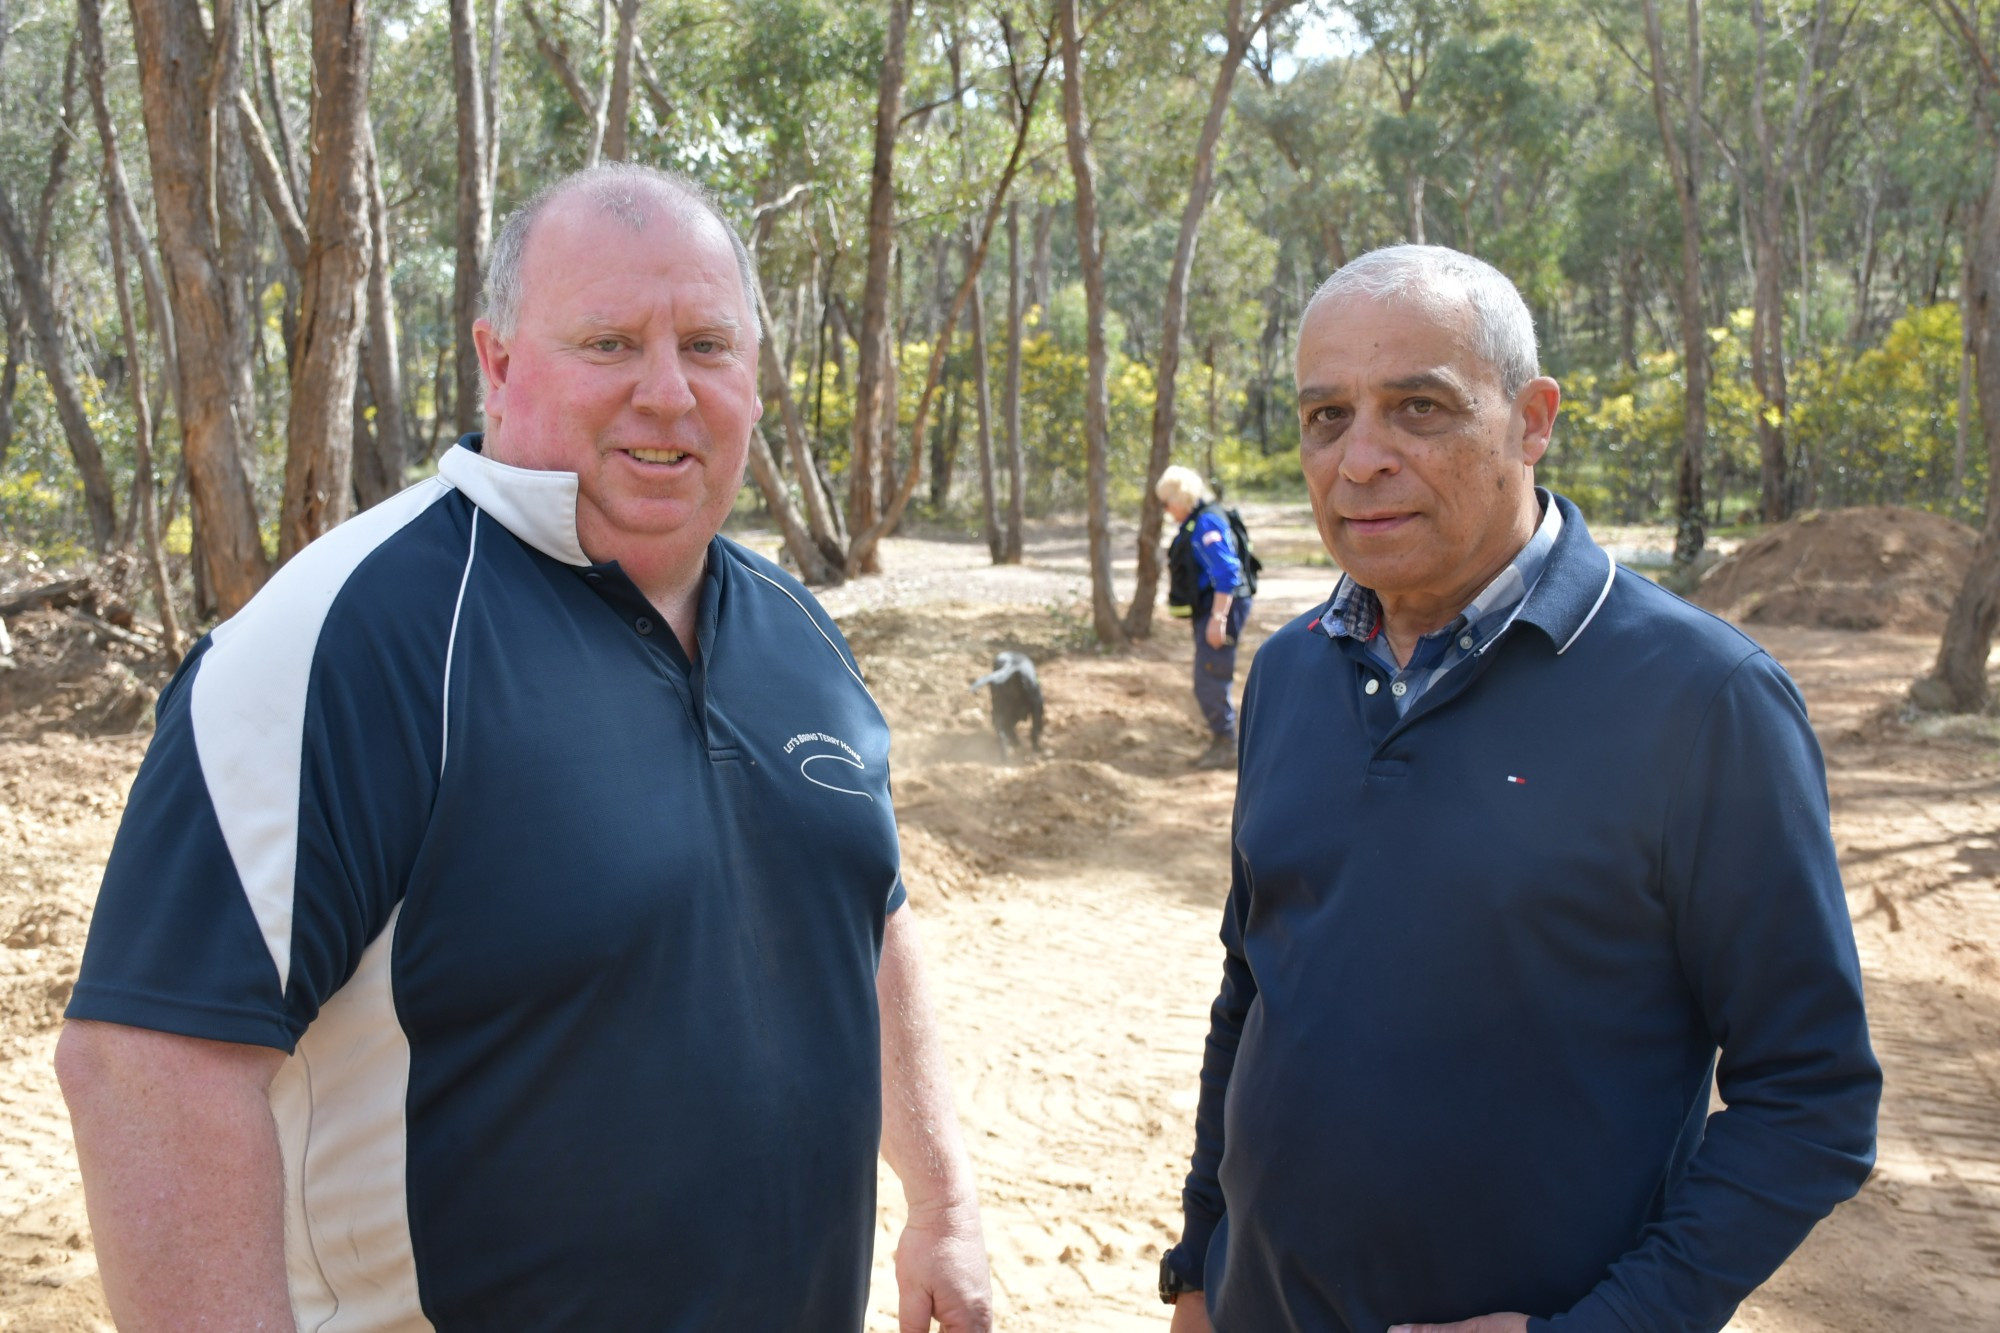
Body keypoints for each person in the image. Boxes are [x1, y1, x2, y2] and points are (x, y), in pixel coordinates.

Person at [56, 164, 992, 1332]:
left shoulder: (801, 633)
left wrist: (941, 1199)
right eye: (608, 342)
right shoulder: (345, 638)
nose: (667, 392)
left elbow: (868, 916)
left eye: (707, 344)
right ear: (497, 362)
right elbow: (146, 1064)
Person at [1158, 245, 1880, 1333]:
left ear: (1531, 418)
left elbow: (1812, 1095)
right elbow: (1249, 988)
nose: (1359, 460)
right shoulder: (1291, 670)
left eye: (1417, 408)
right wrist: (1201, 1261)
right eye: (1324, 417)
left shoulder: (1699, 699)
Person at [1159, 466, 1253, 770]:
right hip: (1214, 606)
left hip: (1221, 606)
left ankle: (1227, 744)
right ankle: (1224, 738)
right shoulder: (1197, 519)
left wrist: (1218, 619)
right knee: (1209, 674)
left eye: (1166, 501)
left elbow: (1227, 573)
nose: (1165, 508)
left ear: (1180, 498)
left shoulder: (1207, 522)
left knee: (1210, 677)